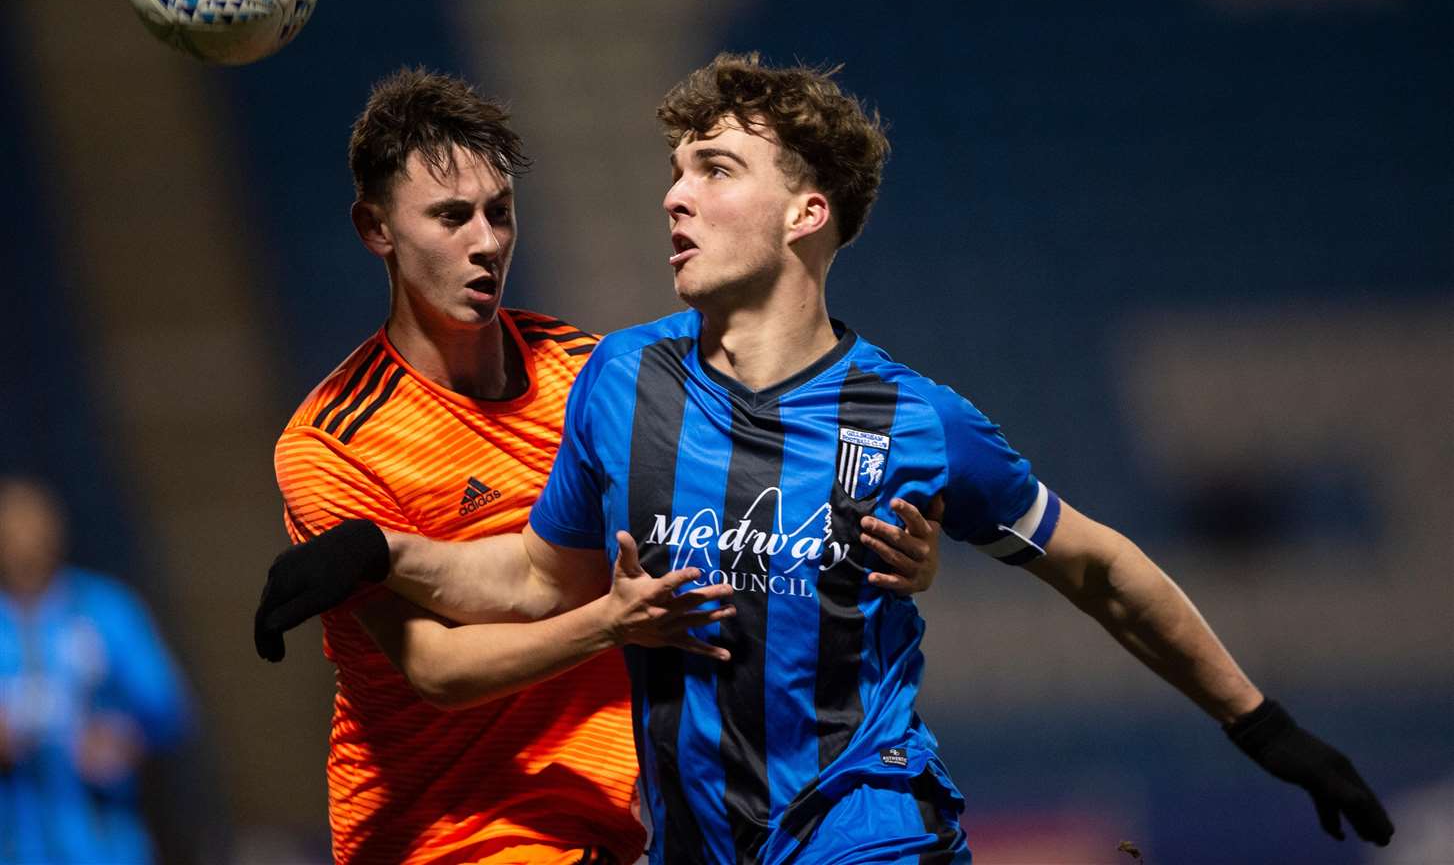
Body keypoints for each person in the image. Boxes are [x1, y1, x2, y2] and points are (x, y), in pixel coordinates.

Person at [257, 54, 1394, 863]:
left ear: (804, 212)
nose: (673, 193)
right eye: (675, 169)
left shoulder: (913, 421)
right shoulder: (625, 382)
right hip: (684, 837)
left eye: (711, 169)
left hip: (862, 819)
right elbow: (533, 577)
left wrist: (1260, 725)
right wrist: (376, 550)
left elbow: (1095, 566)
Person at [264, 67, 943, 865]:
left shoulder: (593, 373)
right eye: (451, 218)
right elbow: (436, 668)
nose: (484, 243)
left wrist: (890, 551)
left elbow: (740, 500)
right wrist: (610, 623)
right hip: (448, 831)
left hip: (609, 823)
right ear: (376, 228)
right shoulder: (333, 444)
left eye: (500, 214)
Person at [0, 476, 192, 865]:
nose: (25, 540)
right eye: (11, 528)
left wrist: (122, 736)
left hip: (106, 842)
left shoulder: (106, 608)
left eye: (34, 525)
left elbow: (169, 708)